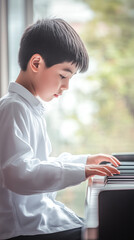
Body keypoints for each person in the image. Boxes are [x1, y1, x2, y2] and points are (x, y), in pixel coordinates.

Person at [0, 18, 120, 240]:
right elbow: (18, 174)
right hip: (24, 230)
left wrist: (85, 162)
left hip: (38, 223)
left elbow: (41, 163)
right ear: (36, 63)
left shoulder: (28, 108)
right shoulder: (13, 108)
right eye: (63, 76)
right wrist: (81, 171)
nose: (65, 86)